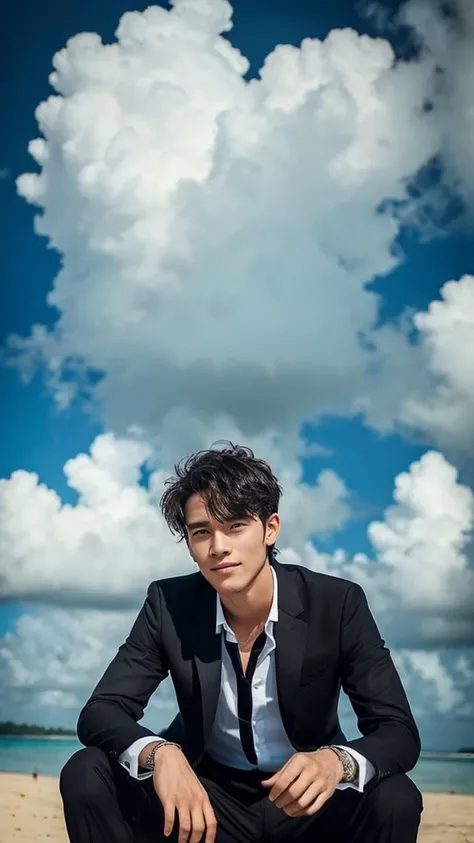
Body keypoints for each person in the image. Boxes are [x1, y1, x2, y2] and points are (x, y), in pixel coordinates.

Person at [60, 443, 423, 843]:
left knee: (396, 796)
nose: (218, 547)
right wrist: (159, 753)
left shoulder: (337, 604)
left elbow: (398, 732)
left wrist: (337, 762)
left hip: (309, 803)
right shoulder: (168, 604)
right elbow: (101, 711)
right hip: (205, 799)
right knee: (86, 770)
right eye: (201, 532)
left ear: (270, 529)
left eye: (235, 526)